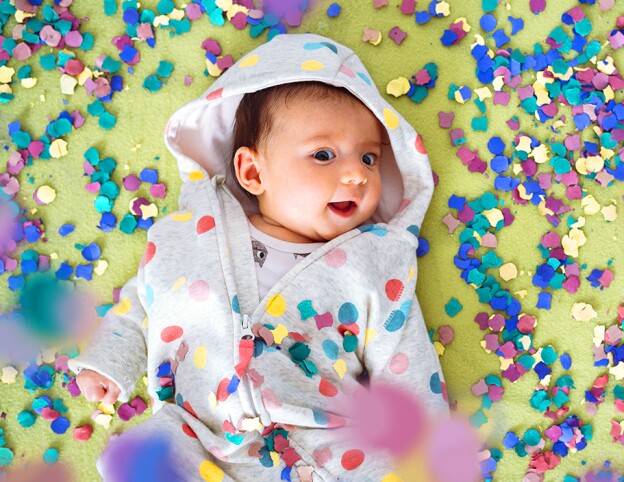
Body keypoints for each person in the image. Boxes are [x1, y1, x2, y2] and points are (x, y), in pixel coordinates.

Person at [71, 33, 447, 482]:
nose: (356, 174)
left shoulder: (373, 265)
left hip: (325, 443)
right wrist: (112, 359)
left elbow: (404, 360)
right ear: (252, 171)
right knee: (137, 455)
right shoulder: (188, 236)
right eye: (324, 155)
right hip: (202, 434)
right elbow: (144, 301)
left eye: (369, 158)